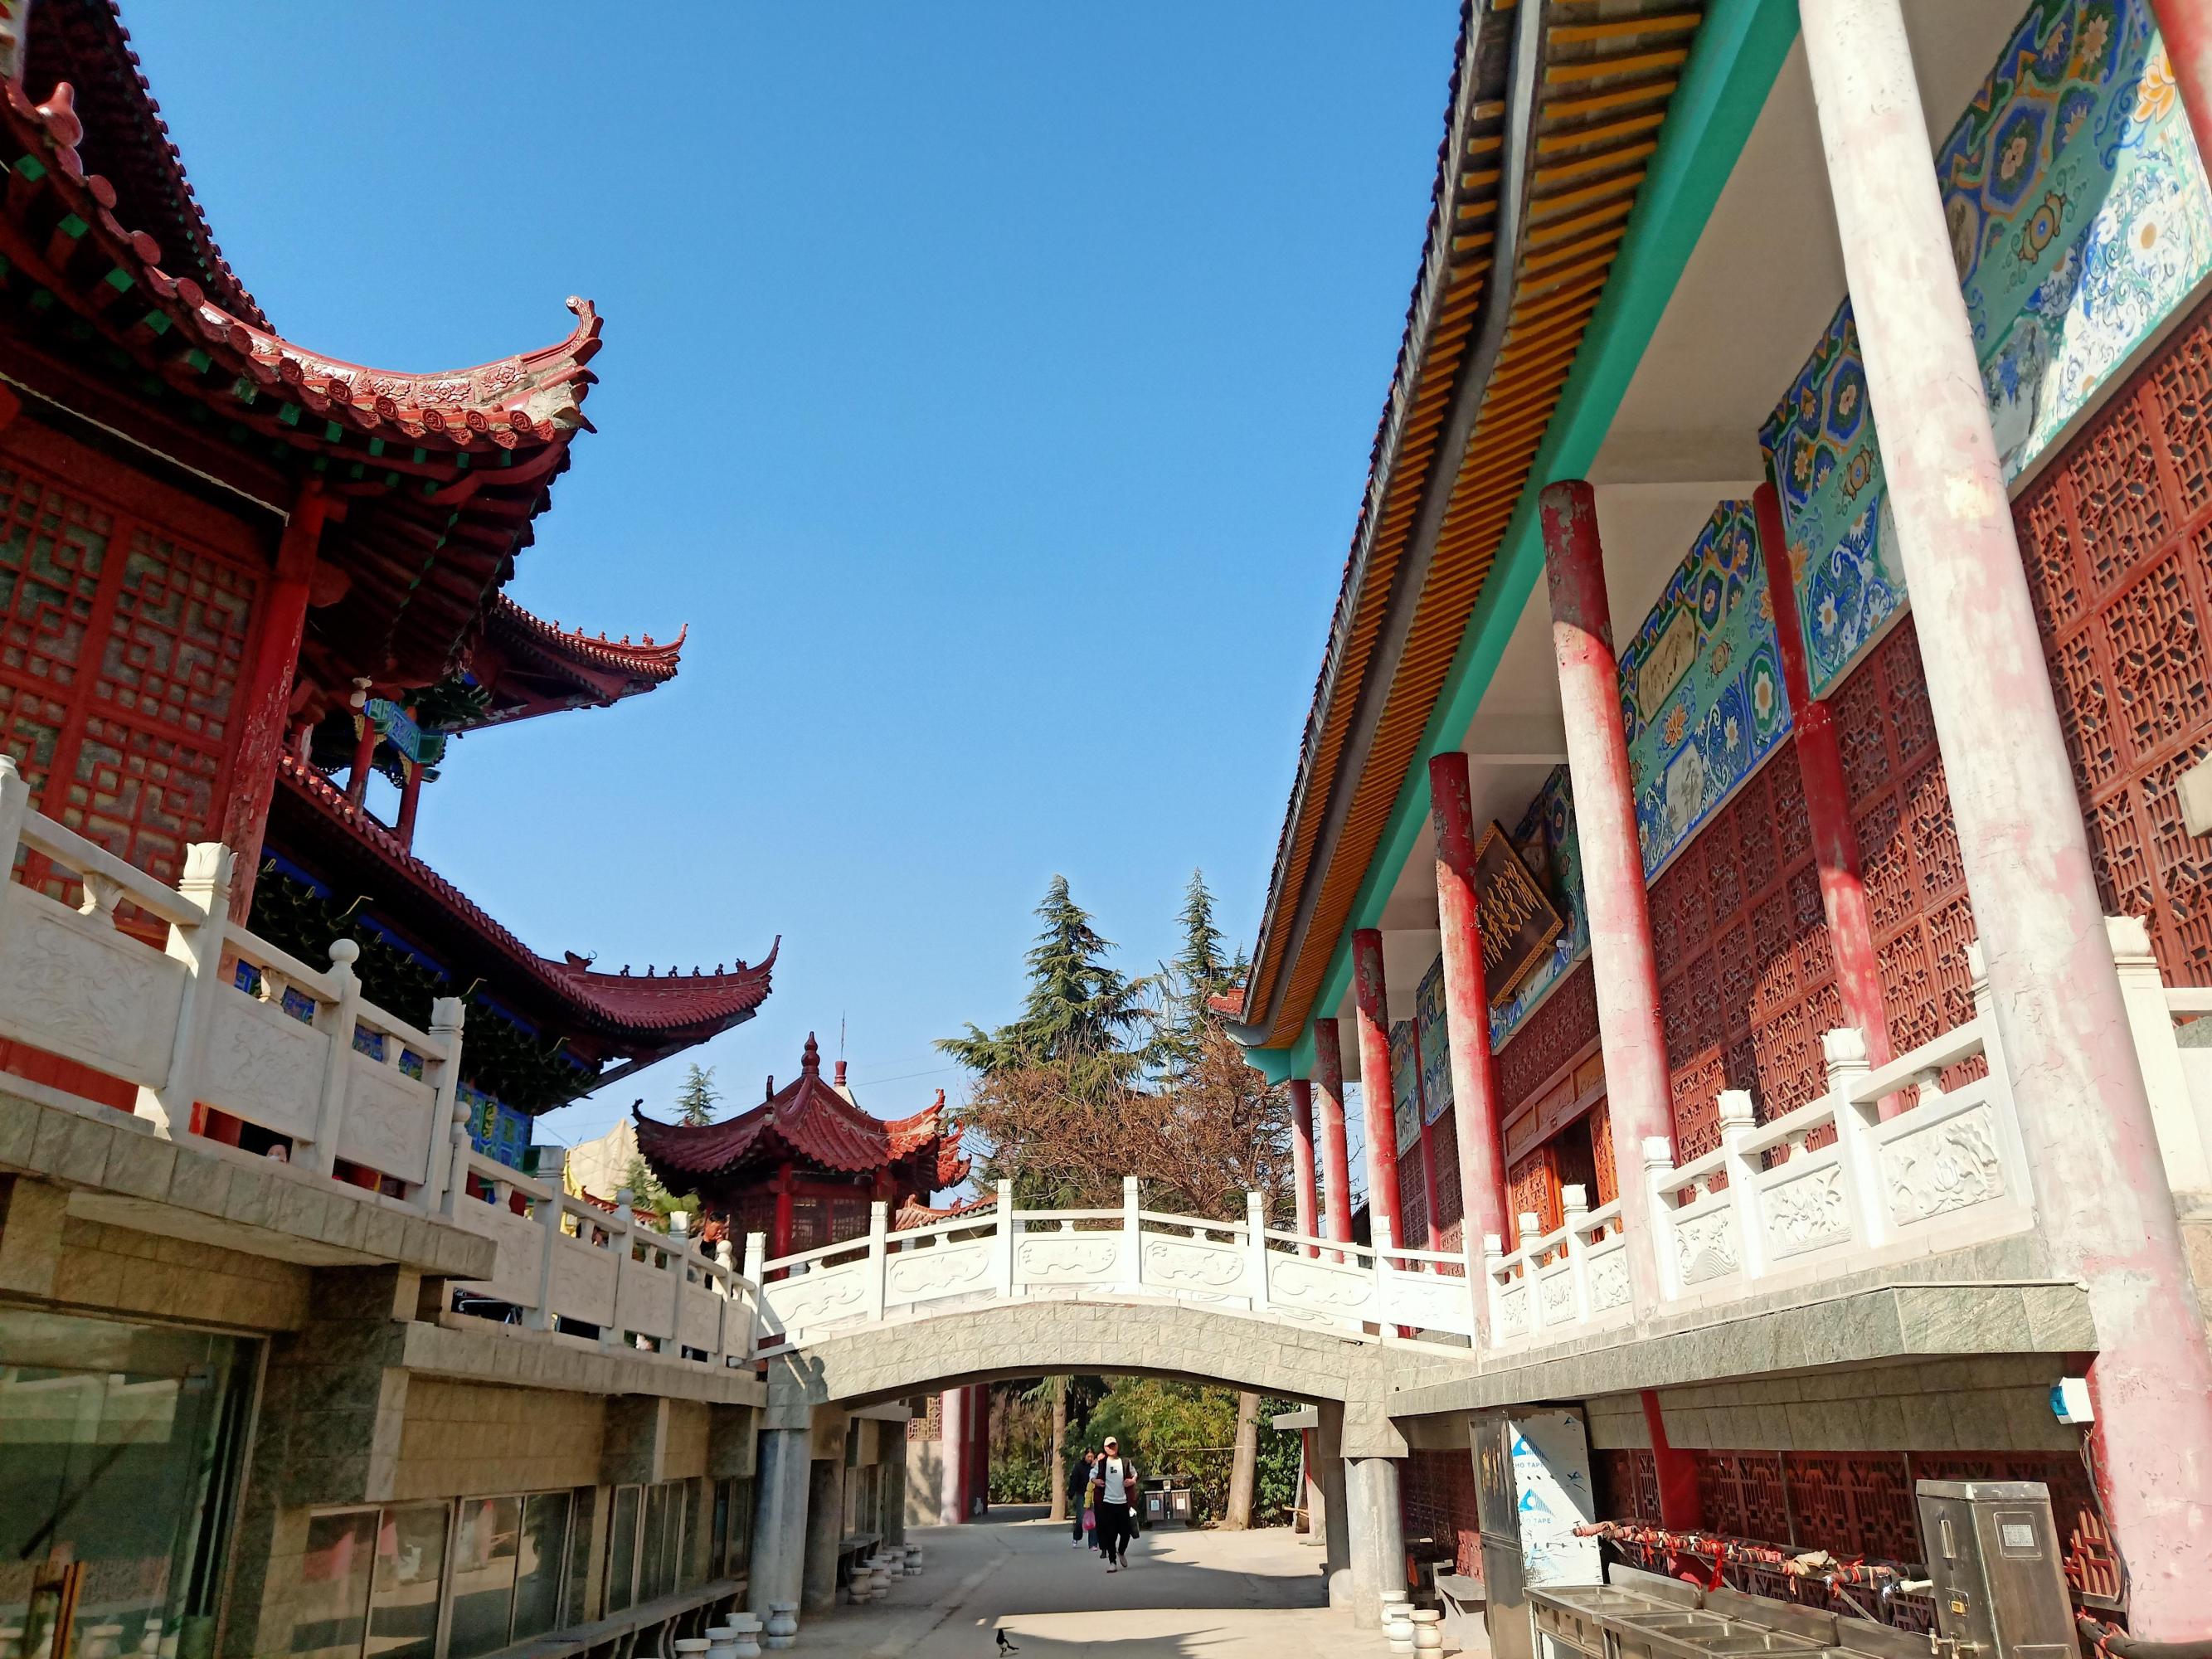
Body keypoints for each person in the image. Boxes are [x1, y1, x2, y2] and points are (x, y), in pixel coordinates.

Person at [1090, 1436, 1140, 1572]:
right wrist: (1096, 1481)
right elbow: (1092, 1474)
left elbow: (1135, 1474)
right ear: (1105, 1448)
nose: (1112, 1448)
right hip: (1107, 1503)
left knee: (1126, 1533)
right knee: (1110, 1534)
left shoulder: (1125, 1462)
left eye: (1114, 1445)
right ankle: (1112, 1562)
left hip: (1123, 1502)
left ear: (1117, 1446)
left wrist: (1132, 1481)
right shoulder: (1102, 1463)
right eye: (1109, 1446)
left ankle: (1121, 1551)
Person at [1068, 1449, 1098, 1548]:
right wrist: (1071, 1494)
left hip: (1093, 1495)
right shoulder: (1079, 1467)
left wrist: (1095, 1466)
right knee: (1081, 1519)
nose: (1090, 1459)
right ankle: (1076, 1537)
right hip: (1082, 1494)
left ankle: (1093, 1543)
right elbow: (1073, 1480)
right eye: (1088, 1456)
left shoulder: (1096, 1466)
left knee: (1093, 1519)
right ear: (1085, 1456)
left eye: (1092, 1457)